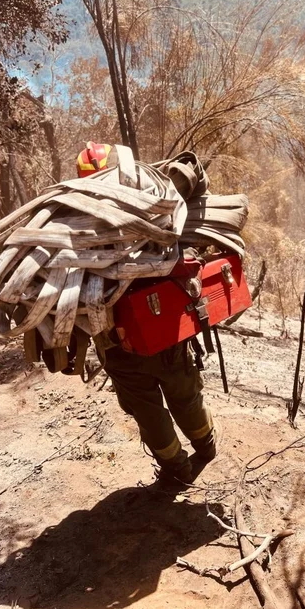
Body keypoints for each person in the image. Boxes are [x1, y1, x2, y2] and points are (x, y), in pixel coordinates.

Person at [77, 142, 217, 483]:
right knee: (183, 389)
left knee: (147, 409)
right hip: (167, 325)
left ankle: (175, 470)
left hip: (118, 342)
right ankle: (206, 445)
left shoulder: (77, 227)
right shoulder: (157, 210)